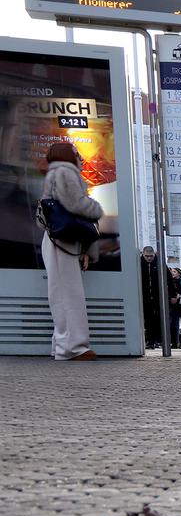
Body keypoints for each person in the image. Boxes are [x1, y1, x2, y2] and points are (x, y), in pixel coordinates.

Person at [38, 141, 102, 361]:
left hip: (58, 238)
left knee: (61, 292)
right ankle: (73, 347)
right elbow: (80, 211)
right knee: (69, 293)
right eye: (76, 153)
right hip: (64, 240)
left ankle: (63, 346)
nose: (81, 157)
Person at [139, 246, 163, 348]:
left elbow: (168, 278)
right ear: (143, 255)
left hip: (157, 295)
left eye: (151, 256)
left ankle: (157, 339)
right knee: (148, 319)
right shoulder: (139, 263)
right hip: (144, 295)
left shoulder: (159, 263)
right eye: (147, 256)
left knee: (158, 318)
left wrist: (173, 295)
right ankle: (150, 340)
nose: (149, 258)